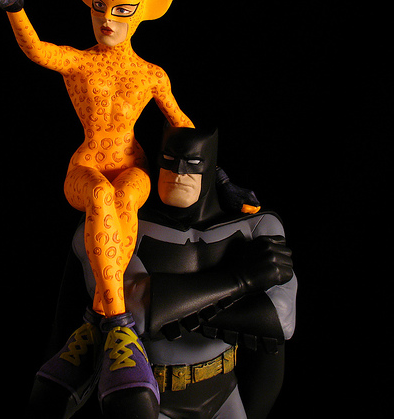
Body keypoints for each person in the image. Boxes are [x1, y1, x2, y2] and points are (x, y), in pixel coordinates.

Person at [0, 0, 194, 408]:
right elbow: (38, 50)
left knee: (123, 195)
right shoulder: (80, 62)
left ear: (142, 15)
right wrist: (16, 7)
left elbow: (184, 127)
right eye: (99, 7)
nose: (107, 19)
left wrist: (218, 177)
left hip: (132, 166)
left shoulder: (152, 75)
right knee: (100, 194)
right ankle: (120, 325)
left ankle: (97, 321)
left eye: (121, 11)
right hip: (87, 164)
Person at [30, 125, 297, 419]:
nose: (179, 173)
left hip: (223, 392)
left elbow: (280, 320)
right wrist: (241, 281)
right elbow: (133, 311)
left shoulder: (255, 226)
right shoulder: (116, 225)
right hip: (151, 397)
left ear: (211, 166)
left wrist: (169, 307)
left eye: (192, 163)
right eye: (169, 161)